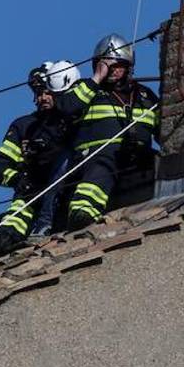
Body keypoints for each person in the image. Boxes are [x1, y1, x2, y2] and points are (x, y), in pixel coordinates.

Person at [53, 33, 160, 231]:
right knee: (104, 160)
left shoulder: (144, 96)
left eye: (116, 65)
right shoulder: (88, 89)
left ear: (127, 66)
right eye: (105, 64)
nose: (111, 69)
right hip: (93, 160)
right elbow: (66, 107)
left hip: (135, 159)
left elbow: (164, 130)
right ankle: (82, 211)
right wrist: (96, 79)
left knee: (160, 162)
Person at [0, 61, 80, 248]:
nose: (43, 98)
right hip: (30, 190)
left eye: (48, 92)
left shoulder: (73, 118)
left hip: (66, 187)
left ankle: (43, 225)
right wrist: (18, 180)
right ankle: (3, 240)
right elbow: (0, 164)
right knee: (13, 220)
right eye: (39, 93)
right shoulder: (24, 126)